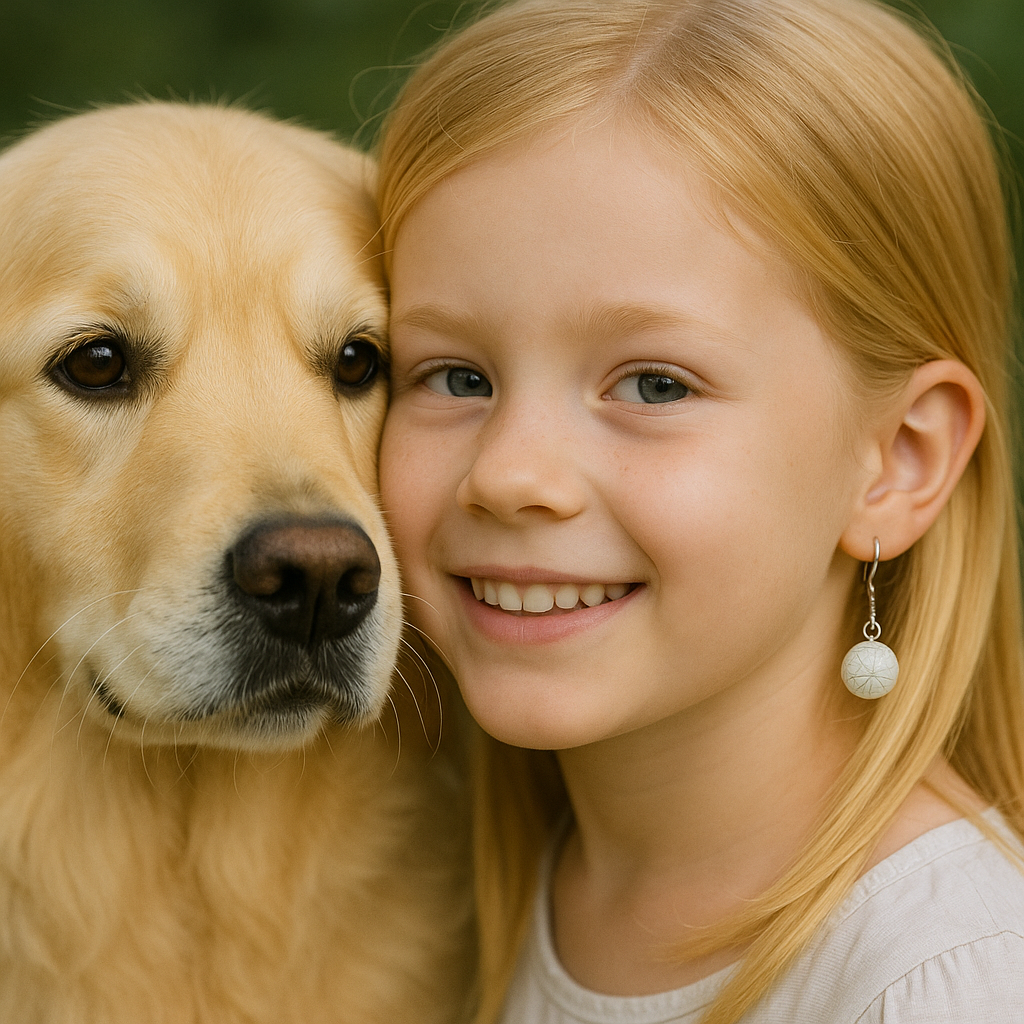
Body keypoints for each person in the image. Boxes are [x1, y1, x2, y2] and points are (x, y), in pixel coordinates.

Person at [375, 1, 1024, 1021]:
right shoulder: (435, 893)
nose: (508, 474)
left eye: (653, 386)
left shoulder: (943, 977)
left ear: (896, 461)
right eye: (452, 375)